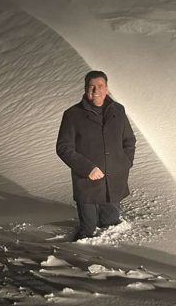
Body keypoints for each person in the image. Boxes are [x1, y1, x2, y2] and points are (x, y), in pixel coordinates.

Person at [56, 71, 136, 241]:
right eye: (91, 87)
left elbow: (129, 140)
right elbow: (64, 148)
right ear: (85, 89)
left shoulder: (118, 110)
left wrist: (125, 163)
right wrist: (87, 169)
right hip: (87, 184)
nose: (96, 91)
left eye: (100, 86)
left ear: (106, 89)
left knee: (111, 227)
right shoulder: (72, 115)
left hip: (113, 182)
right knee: (88, 230)